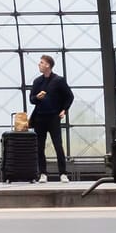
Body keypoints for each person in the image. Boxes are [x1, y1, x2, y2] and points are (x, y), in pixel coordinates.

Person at [27, 54, 74, 182]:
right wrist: (37, 97)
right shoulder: (37, 81)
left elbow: (69, 96)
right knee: (39, 147)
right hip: (39, 118)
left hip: (53, 117)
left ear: (48, 65)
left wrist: (64, 110)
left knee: (58, 145)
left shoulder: (58, 80)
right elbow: (31, 99)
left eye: (41, 62)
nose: (39, 64)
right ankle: (43, 173)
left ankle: (63, 173)